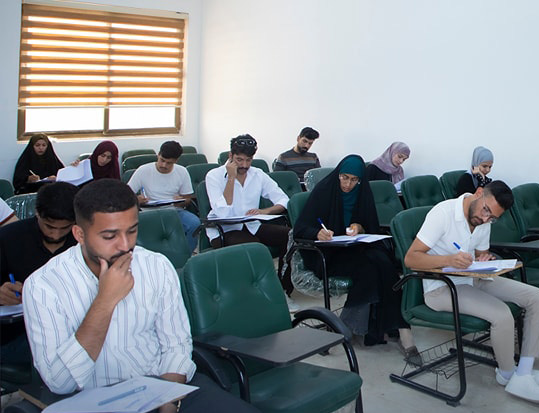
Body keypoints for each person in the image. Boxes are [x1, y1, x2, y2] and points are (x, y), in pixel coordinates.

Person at [22, 179, 267, 413]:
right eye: (109, 235)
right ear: (80, 234)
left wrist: (169, 407)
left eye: (132, 231)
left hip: (162, 388)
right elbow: (61, 383)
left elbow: (176, 344)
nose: (125, 245)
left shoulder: (156, 266)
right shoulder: (44, 286)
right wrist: (105, 302)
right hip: (97, 408)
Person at [404, 180, 539, 404]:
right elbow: (411, 259)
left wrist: (485, 258)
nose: (485, 219)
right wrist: (449, 260)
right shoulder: (443, 213)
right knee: (502, 314)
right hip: (442, 287)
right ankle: (508, 374)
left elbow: (480, 254)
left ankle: (524, 371)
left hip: (472, 278)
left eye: (492, 218)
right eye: (485, 211)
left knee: (536, 297)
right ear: (479, 192)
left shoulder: (485, 220)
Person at [293, 155, 418, 360]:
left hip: (355, 249)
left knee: (382, 262)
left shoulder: (362, 193)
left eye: (354, 180)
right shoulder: (324, 191)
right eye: (344, 177)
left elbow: (370, 225)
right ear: (338, 174)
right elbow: (300, 228)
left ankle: (348, 327)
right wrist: (317, 233)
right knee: (373, 267)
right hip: (327, 254)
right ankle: (401, 330)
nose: (348, 184)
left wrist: (359, 227)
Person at [0, 182, 79, 372]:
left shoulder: (85, 241)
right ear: (37, 214)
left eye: (64, 228)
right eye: (49, 226)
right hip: (19, 333)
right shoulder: (8, 237)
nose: (55, 234)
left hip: (72, 328)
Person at [205, 134, 292, 295]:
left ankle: (283, 289)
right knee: (255, 247)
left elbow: (284, 200)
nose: (244, 165)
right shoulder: (214, 176)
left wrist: (265, 211)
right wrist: (231, 178)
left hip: (252, 225)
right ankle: (259, 293)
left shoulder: (258, 174)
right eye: (239, 160)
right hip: (224, 229)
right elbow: (223, 213)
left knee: (291, 236)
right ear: (230, 156)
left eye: (249, 160)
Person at [127, 141, 201, 252]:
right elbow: (126, 194)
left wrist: (181, 201)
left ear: (176, 161)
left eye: (169, 163)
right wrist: (136, 200)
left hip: (173, 211)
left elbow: (187, 199)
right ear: (158, 155)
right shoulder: (143, 170)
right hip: (148, 211)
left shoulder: (182, 172)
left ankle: (185, 255)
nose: (164, 165)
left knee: (194, 223)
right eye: (162, 160)